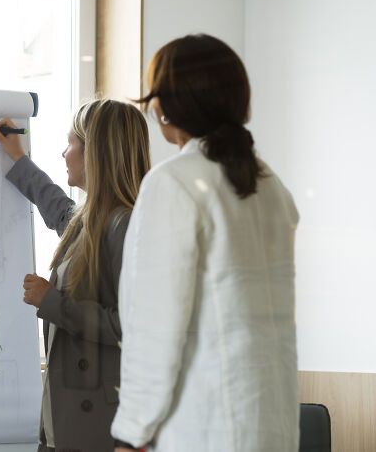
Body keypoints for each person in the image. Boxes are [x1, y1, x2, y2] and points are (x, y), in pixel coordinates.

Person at [111, 34, 300, 451]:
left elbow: (154, 328)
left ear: (168, 105)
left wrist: (131, 433)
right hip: (273, 427)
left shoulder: (173, 183)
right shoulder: (272, 187)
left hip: (201, 428)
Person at [0, 99, 150, 452]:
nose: (64, 153)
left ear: (97, 152)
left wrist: (52, 302)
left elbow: (133, 326)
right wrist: (19, 159)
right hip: (65, 422)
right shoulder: (90, 221)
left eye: (71, 143)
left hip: (95, 430)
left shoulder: (125, 226)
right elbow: (59, 208)